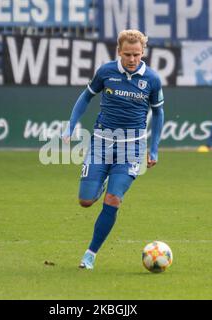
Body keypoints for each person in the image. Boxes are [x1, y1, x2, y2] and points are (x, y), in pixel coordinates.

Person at [62, 30, 165, 270]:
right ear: (119, 52)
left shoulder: (152, 79)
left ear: (143, 53)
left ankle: (90, 254)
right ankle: (99, 183)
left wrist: (155, 149)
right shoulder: (106, 72)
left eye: (137, 54)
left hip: (132, 147)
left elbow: (159, 113)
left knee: (113, 199)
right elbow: (85, 97)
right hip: (101, 142)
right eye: (128, 54)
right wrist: (70, 126)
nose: (132, 59)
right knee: (86, 201)